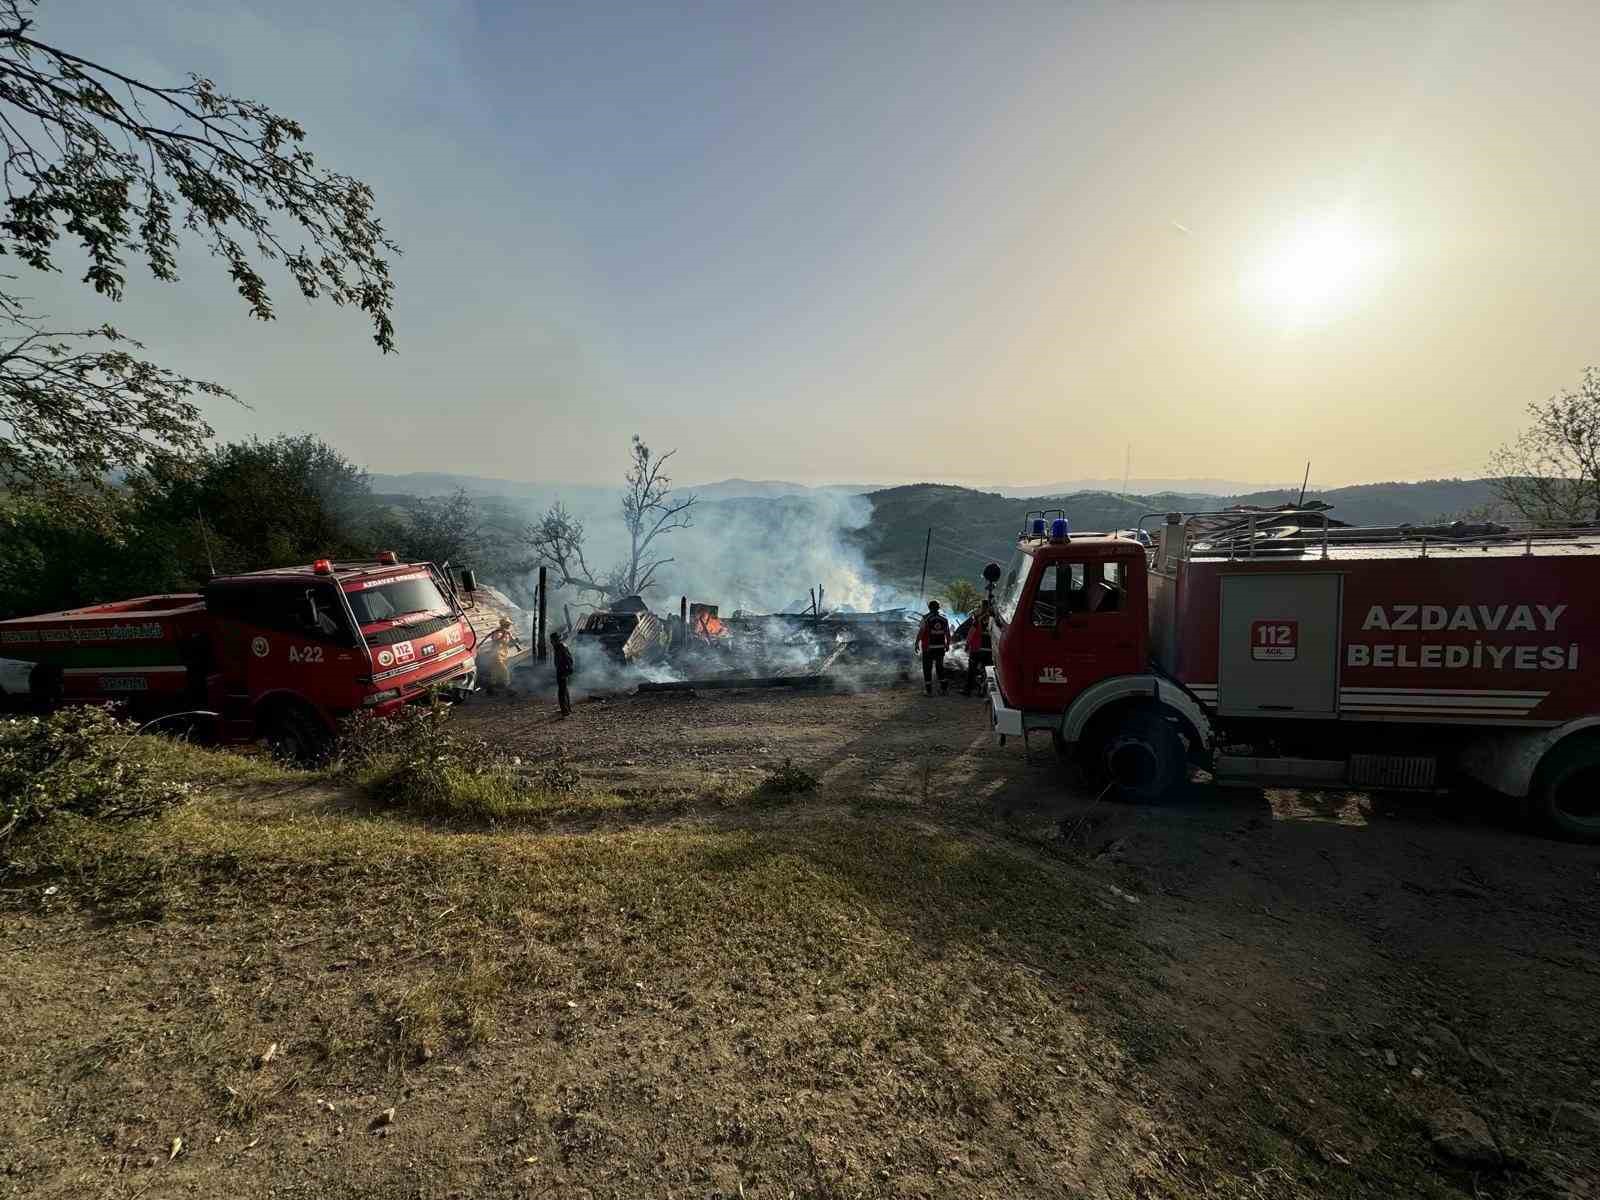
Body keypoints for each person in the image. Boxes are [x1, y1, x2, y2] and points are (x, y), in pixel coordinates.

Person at [914, 600, 951, 695]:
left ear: (929, 607)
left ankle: (928, 691)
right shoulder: (944, 619)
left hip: (928, 648)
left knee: (927, 668)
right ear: (938, 608)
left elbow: (921, 632)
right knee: (940, 667)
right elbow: (947, 633)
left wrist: (916, 642)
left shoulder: (926, 618)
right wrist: (947, 644)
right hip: (940, 647)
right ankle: (944, 690)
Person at [960, 601, 993, 697]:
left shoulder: (977, 619)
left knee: (972, 670)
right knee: (986, 672)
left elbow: (971, 632)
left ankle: (968, 690)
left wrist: (967, 644)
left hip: (977, 649)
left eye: (980, 606)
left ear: (983, 607)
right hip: (989, 650)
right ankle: (982, 691)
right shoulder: (994, 619)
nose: (980, 608)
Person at [483, 616, 520, 697]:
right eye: (508, 624)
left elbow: (508, 644)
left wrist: (515, 643)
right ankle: (508, 690)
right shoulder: (498, 633)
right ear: (505, 624)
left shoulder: (507, 633)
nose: (509, 626)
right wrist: (503, 635)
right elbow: (495, 641)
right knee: (505, 672)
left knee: (495, 675)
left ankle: (490, 690)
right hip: (496, 655)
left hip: (503, 656)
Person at [552, 630, 575, 717]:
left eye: (553, 640)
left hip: (563, 671)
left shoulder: (561, 647)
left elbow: (569, 659)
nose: (551, 642)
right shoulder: (558, 646)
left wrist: (568, 671)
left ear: (557, 639)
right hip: (561, 670)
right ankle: (566, 708)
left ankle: (565, 710)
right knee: (564, 690)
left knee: (562, 691)